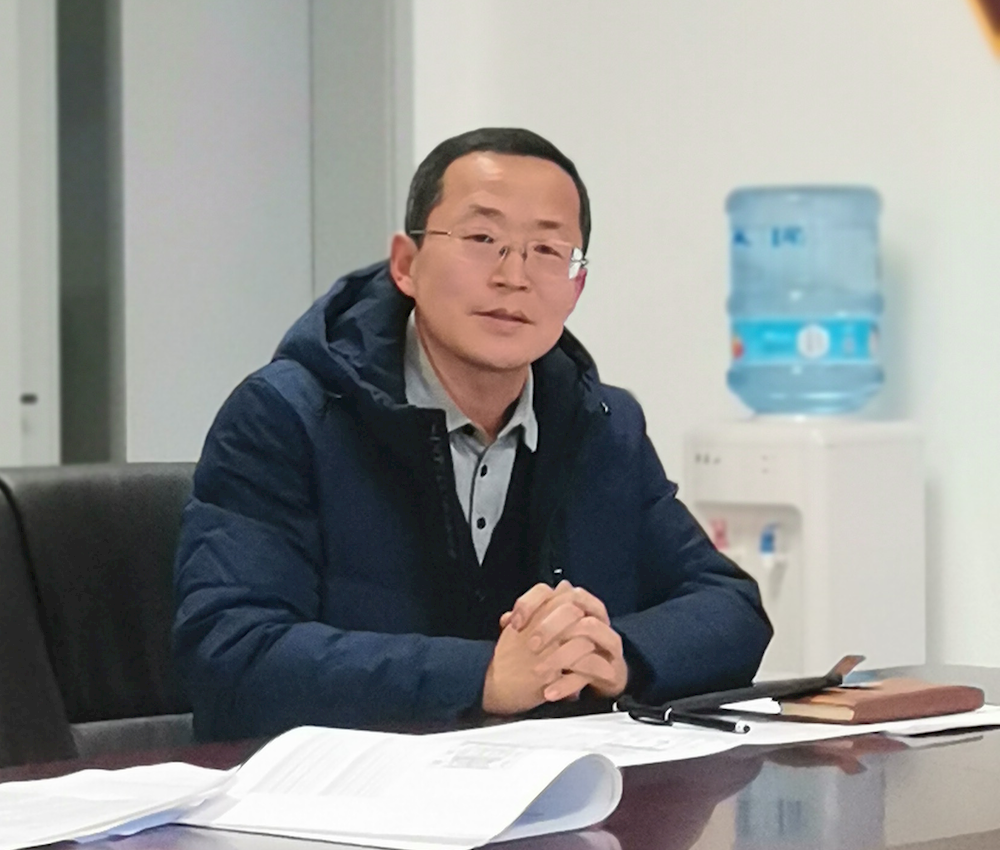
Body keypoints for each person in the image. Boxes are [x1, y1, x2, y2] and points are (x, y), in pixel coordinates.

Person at [173, 127, 771, 740]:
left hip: (558, 787)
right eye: (483, 239)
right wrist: (482, 676)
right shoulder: (285, 417)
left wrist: (615, 654)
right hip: (348, 791)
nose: (514, 276)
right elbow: (231, 656)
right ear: (406, 264)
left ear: (576, 285)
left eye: (547, 250)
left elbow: (731, 608)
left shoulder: (602, 424)